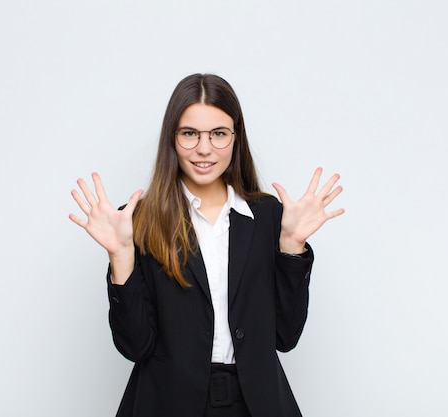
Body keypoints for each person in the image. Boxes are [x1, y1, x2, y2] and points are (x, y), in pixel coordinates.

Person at [69, 73, 344, 417]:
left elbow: (285, 337)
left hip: (254, 403)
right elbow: (135, 345)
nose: (204, 148)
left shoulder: (270, 217)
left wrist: (291, 247)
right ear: (172, 139)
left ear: (235, 138)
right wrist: (121, 257)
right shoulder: (136, 222)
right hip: (168, 402)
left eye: (218, 134)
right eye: (189, 134)